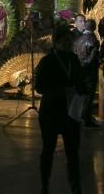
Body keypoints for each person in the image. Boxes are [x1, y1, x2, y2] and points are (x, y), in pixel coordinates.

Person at [34, 26, 85, 194]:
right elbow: (39, 87)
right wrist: (61, 90)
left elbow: (80, 81)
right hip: (51, 110)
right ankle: (44, 184)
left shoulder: (74, 60)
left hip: (70, 111)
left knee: (72, 151)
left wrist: (81, 91)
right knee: (48, 149)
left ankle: (76, 185)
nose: (68, 43)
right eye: (64, 40)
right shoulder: (47, 61)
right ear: (56, 42)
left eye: (70, 40)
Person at [74, 19, 100, 128]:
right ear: (94, 27)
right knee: (89, 95)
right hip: (89, 72)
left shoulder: (78, 40)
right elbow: (93, 59)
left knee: (81, 95)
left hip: (79, 71)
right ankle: (87, 118)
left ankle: (79, 115)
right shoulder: (94, 41)